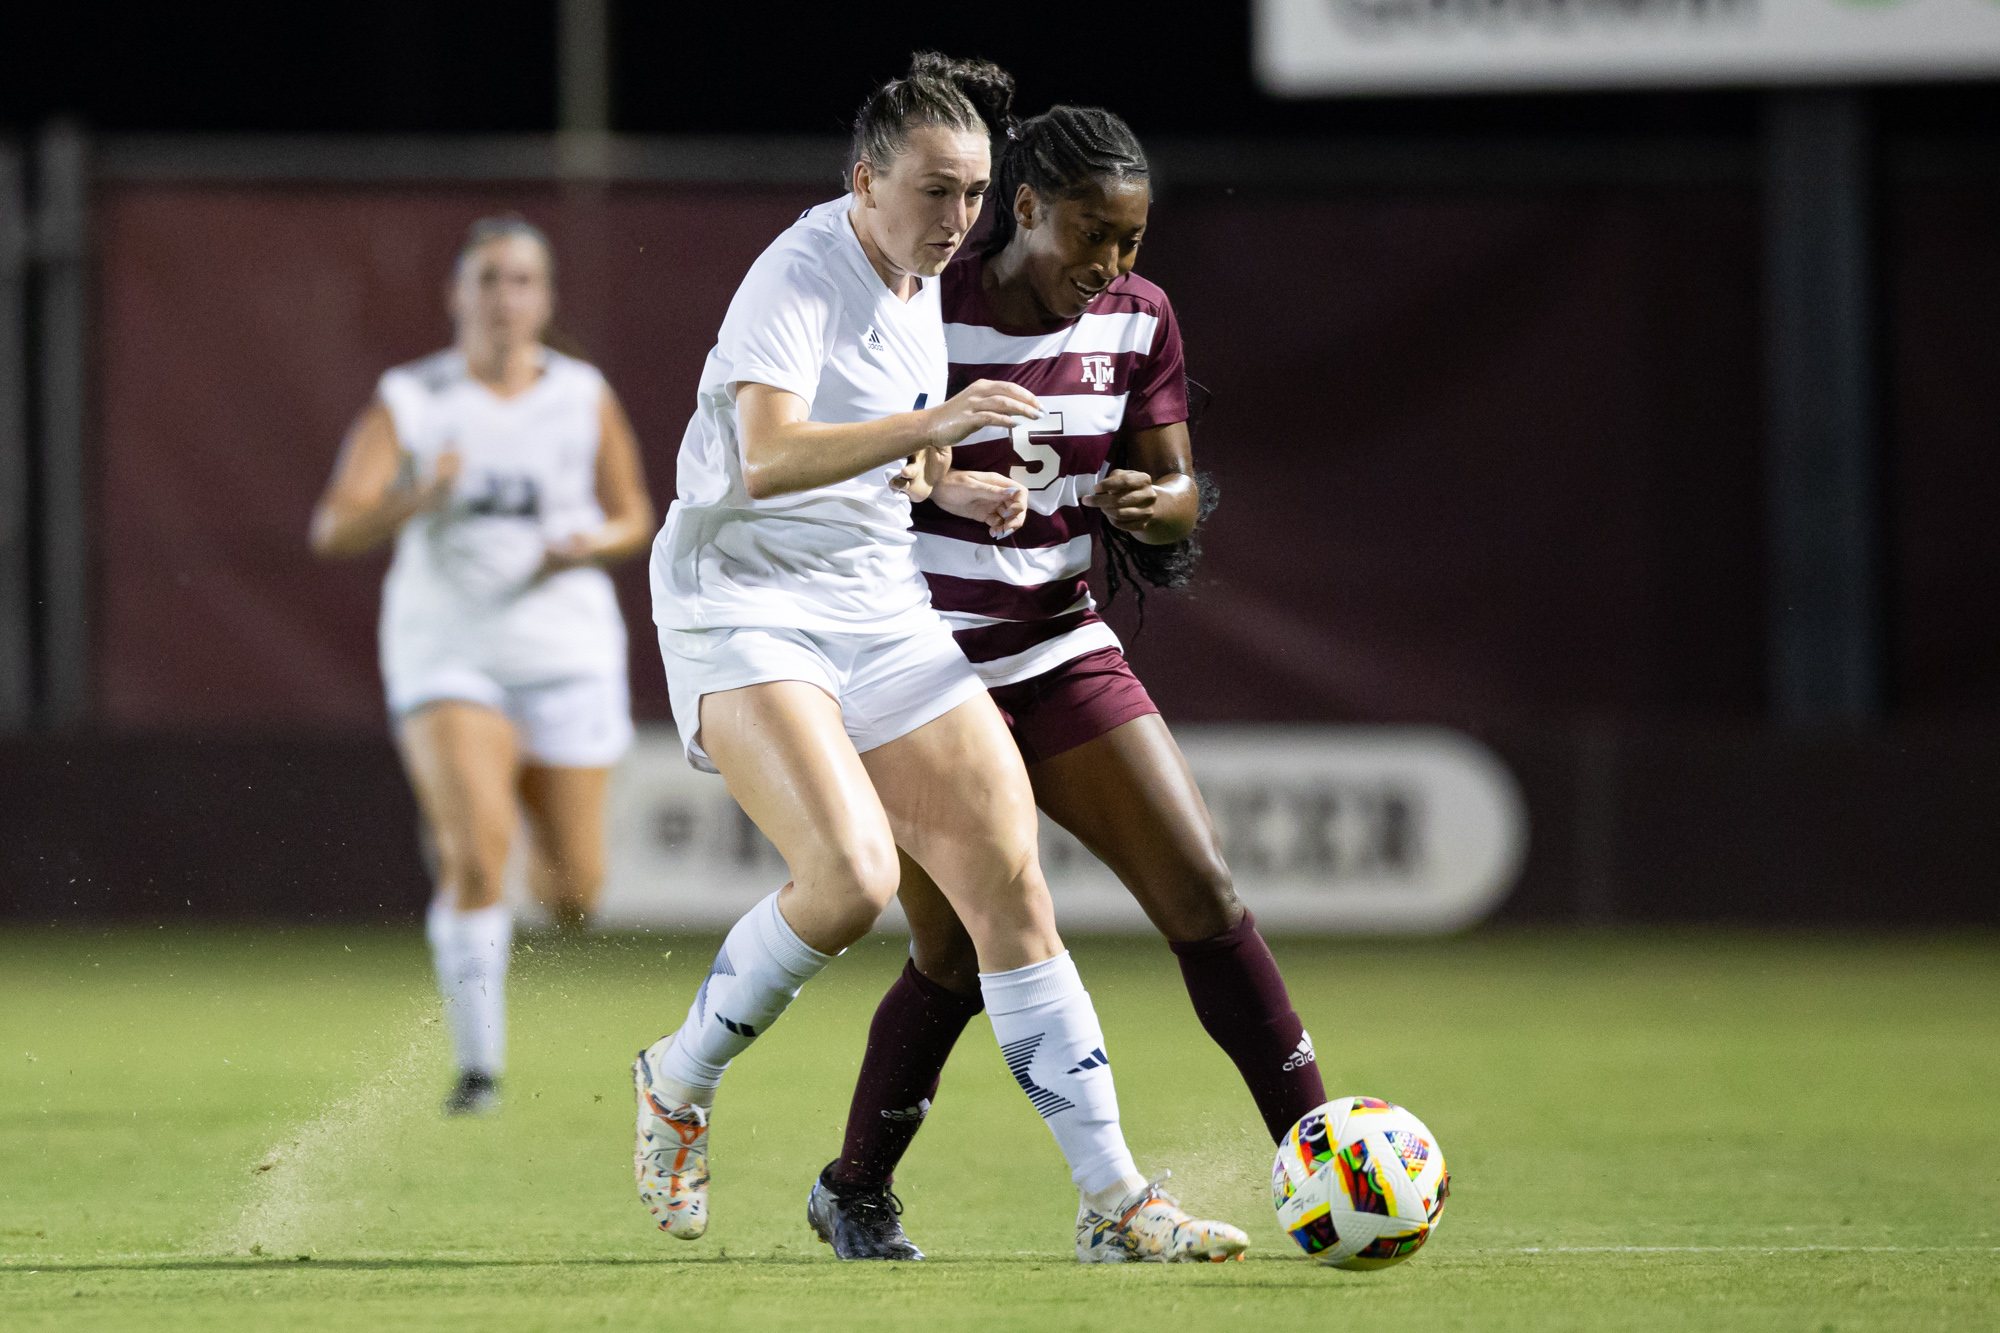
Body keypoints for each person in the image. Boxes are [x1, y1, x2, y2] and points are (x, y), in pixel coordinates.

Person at [631, 53, 1249, 1265]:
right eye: (932, 191)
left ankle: (1115, 1202)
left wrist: (945, 483)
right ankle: (676, 1077)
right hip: (743, 602)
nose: (956, 218)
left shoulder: (914, 277)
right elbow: (765, 457)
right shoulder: (796, 273)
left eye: (972, 192)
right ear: (863, 180)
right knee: (851, 880)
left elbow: (885, 457)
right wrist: (938, 423)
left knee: (1007, 879)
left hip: (874, 599)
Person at [805, 106, 1327, 1260]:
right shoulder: (919, 307)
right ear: (1025, 209)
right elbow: (839, 466)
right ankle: (853, 1187)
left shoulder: (1139, 321)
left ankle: (1322, 1153)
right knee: (953, 955)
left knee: (1205, 893)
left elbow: (1172, 484)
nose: (1112, 265)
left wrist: (1170, 504)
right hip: (919, 668)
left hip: (1055, 644)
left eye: (1132, 241)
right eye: (1093, 235)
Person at [310, 217, 656, 1115]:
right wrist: (413, 494)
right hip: (448, 652)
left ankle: (496, 849)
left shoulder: (581, 394)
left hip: (566, 656)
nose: (505, 299)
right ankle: (478, 1071)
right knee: (476, 854)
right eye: (489, 279)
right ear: (457, 294)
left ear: (544, 299)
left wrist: (587, 543)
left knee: (575, 890)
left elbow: (635, 515)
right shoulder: (413, 399)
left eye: (522, 281)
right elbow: (334, 525)